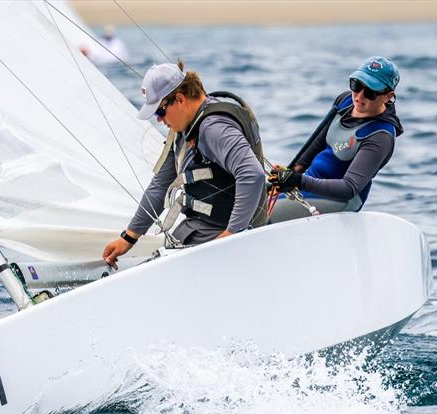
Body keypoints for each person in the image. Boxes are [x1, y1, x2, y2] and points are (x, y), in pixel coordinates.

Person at [102, 61, 268, 268]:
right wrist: (129, 237)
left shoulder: (213, 127)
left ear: (179, 99)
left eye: (160, 112)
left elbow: (253, 174)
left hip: (221, 232)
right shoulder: (186, 127)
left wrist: (232, 235)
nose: (159, 120)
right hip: (206, 228)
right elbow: (160, 185)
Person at [269, 56, 403, 222]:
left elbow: (349, 188)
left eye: (370, 92)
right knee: (242, 197)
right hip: (308, 184)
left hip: (339, 200)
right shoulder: (345, 101)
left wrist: (299, 181)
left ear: (388, 96)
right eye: (356, 85)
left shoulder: (380, 136)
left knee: (260, 214)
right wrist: (289, 175)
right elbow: (317, 142)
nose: (359, 96)